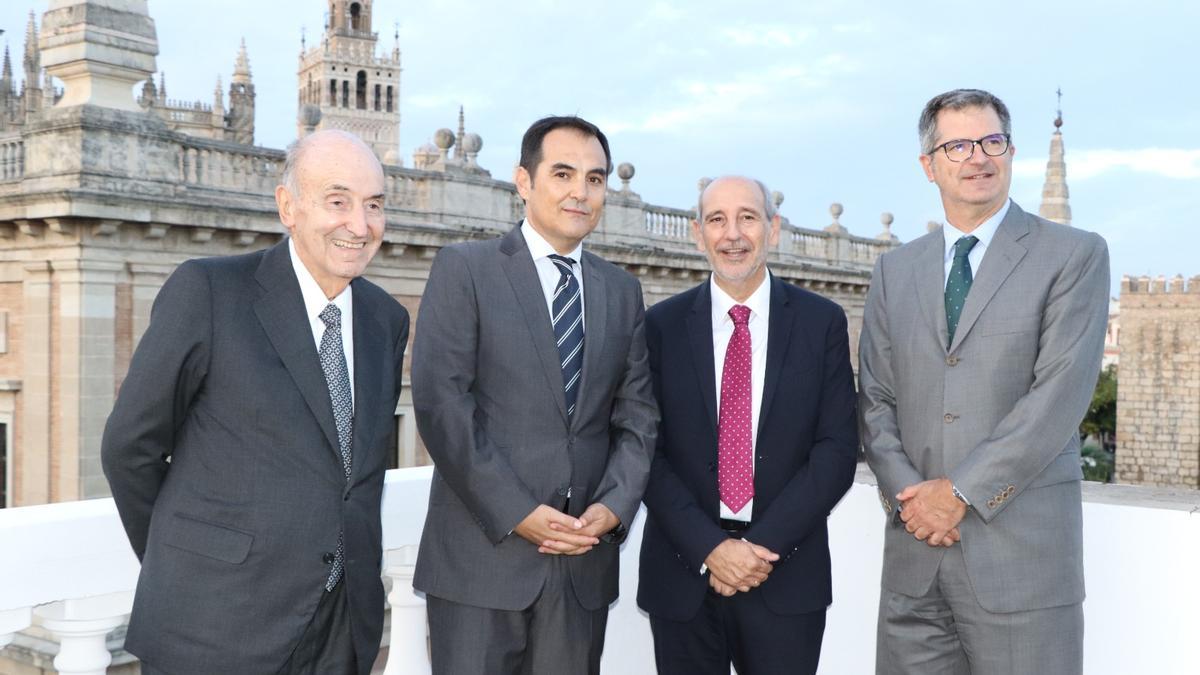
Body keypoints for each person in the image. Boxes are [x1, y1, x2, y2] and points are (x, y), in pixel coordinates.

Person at [101, 130, 410, 675]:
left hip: (340, 629)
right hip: (214, 628)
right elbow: (130, 449)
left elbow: (353, 471)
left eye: (374, 205)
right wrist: (190, 565)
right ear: (288, 207)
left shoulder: (387, 319)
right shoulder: (210, 292)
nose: (359, 226)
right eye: (337, 202)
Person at [859, 89, 1109, 675]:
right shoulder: (896, 269)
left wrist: (959, 494)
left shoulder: (1073, 255)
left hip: (1021, 566)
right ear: (930, 165)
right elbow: (875, 397)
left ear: (1011, 150)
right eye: (958, 145)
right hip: (914, 564)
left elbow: (1059, 397)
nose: (978, 157)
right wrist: (911, 503)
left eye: (992, 141)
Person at [411, 115, 658, 674]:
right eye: (563, 174)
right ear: (524, 181)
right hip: (480, 563)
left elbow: (638, 418)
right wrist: (518, 511)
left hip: (580, 569)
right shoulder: (465, 269)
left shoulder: (621, 291)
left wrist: (613, 509)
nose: (581, 192)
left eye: (595, 179)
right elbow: (442, 406)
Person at [637, 175, 859, 674]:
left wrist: (757, 550)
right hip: (682, 575)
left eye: (747, 218)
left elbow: (836, 450)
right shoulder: (661, 327)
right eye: (717, 219)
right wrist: (711, 548)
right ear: (698, 233)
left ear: (773, 228)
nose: (732, 234)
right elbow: (644, 450)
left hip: (785, 573)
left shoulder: (820, 321)